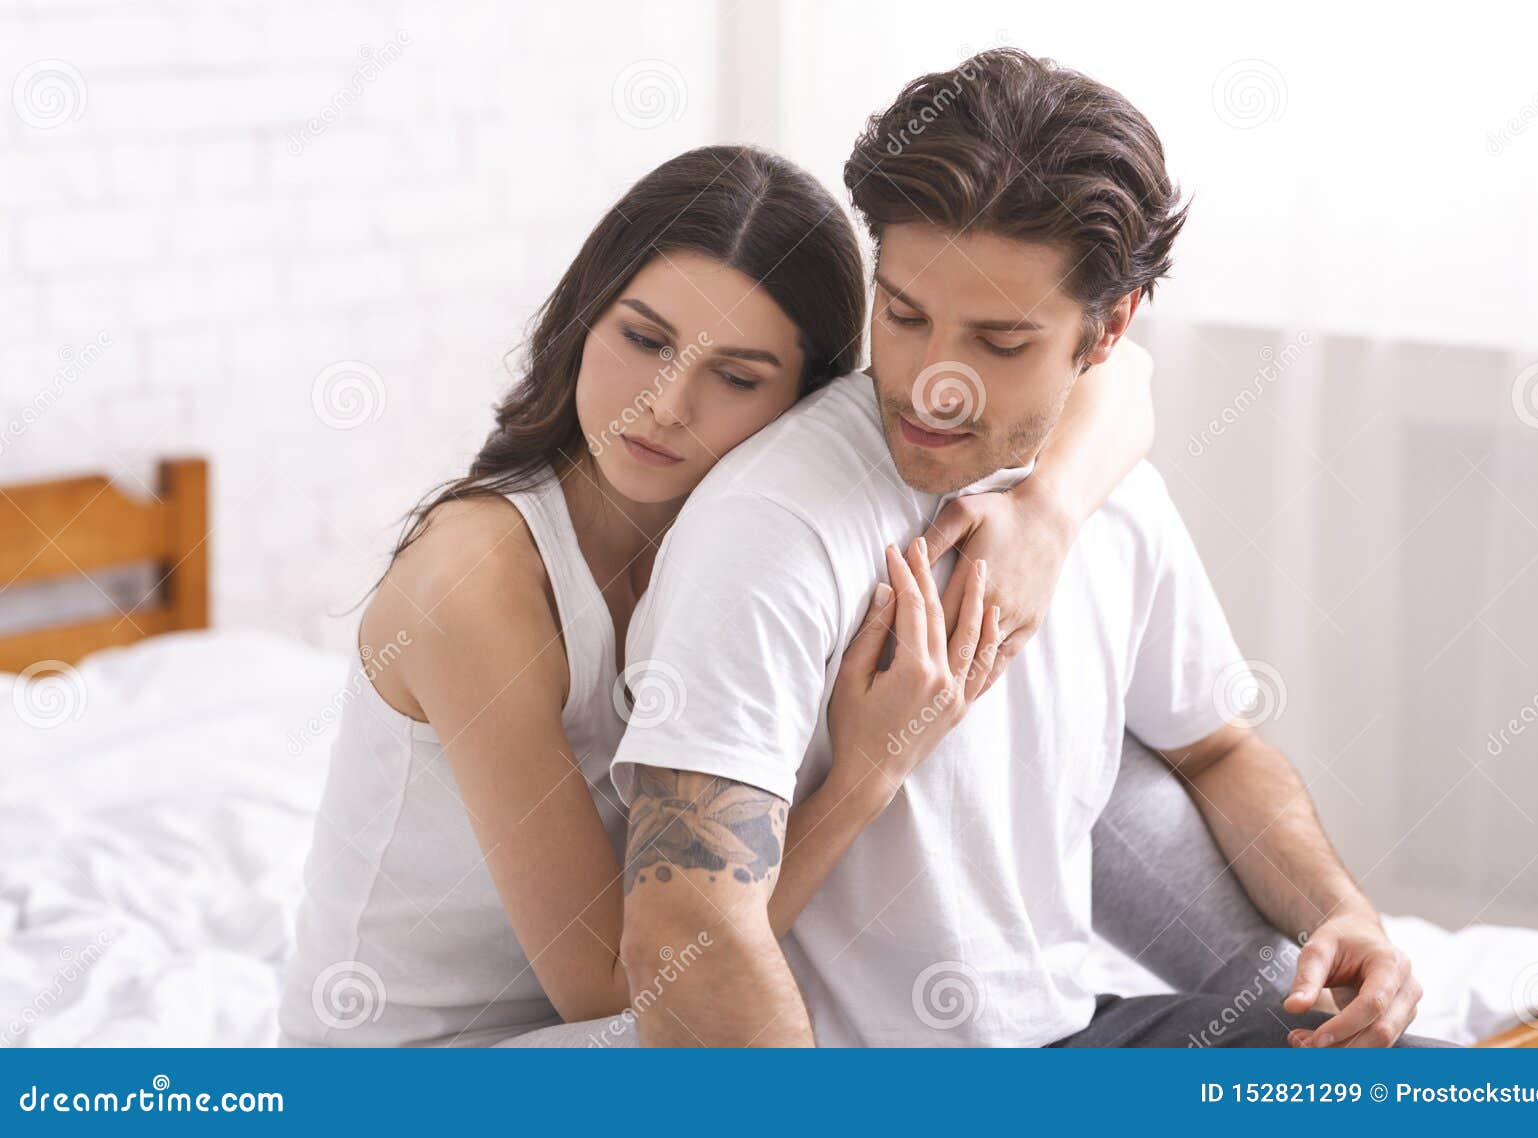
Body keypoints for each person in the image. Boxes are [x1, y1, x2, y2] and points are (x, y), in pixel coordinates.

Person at [608, 50, 1448, 1048]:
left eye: (999, 343)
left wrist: (1342, 915)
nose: (933, 383)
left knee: (1453, 1084)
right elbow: (683, 930)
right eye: (905, 316)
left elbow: (1216, 748)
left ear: (1107, 332)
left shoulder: (1108, 495)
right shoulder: (775, 527)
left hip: (1066, 1043)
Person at [276, 142, 1163, 1046]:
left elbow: (1122, 375)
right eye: (643, 339)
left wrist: (1048, 512)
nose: (665, 403)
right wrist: (869, 772)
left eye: (736, 377)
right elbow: (614, 983)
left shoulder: (740, 532)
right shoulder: (475, 581)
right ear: (586, 315)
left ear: (809, 405)